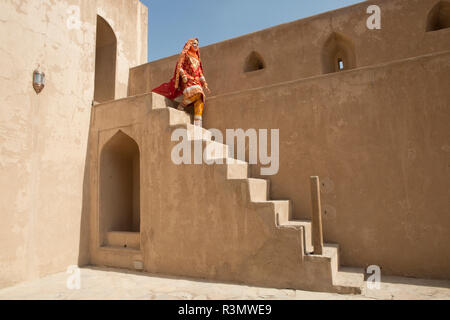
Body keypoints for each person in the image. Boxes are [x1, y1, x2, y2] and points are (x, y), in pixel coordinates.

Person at [152, 38, 210, 127]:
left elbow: (199, 72)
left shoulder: (197, 58)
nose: (196, 46)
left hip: (196, 80)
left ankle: (197, 125)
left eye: (197, 44)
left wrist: (205, 83)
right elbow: (180, 66)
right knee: (197, 94)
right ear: (190, 44)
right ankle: (182, 105)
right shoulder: (185, 54)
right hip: (187, 79)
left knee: (200, 98)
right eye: (194, 44)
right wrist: (183, 76)